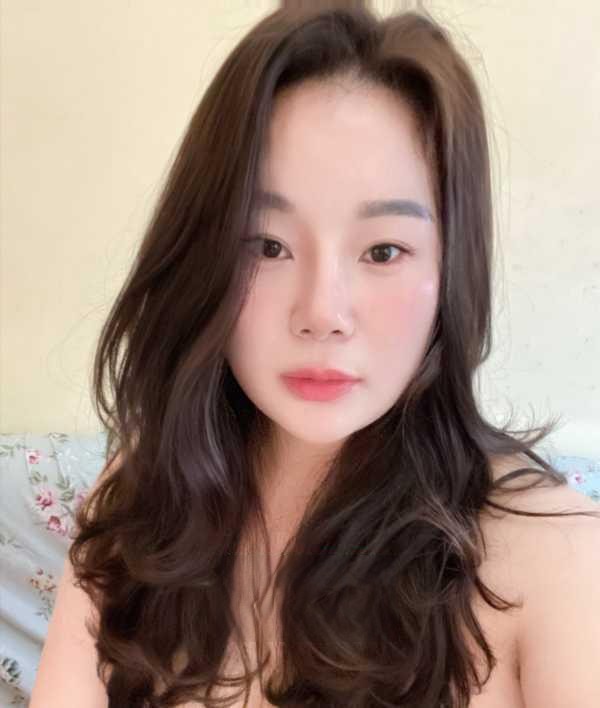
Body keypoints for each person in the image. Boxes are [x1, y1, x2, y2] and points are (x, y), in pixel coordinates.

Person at [30, 1, 600, 707]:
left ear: (452, 269)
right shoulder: (144, 502)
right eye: (267, 245)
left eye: (383, 251)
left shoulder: (557, 560)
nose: (323, 313)